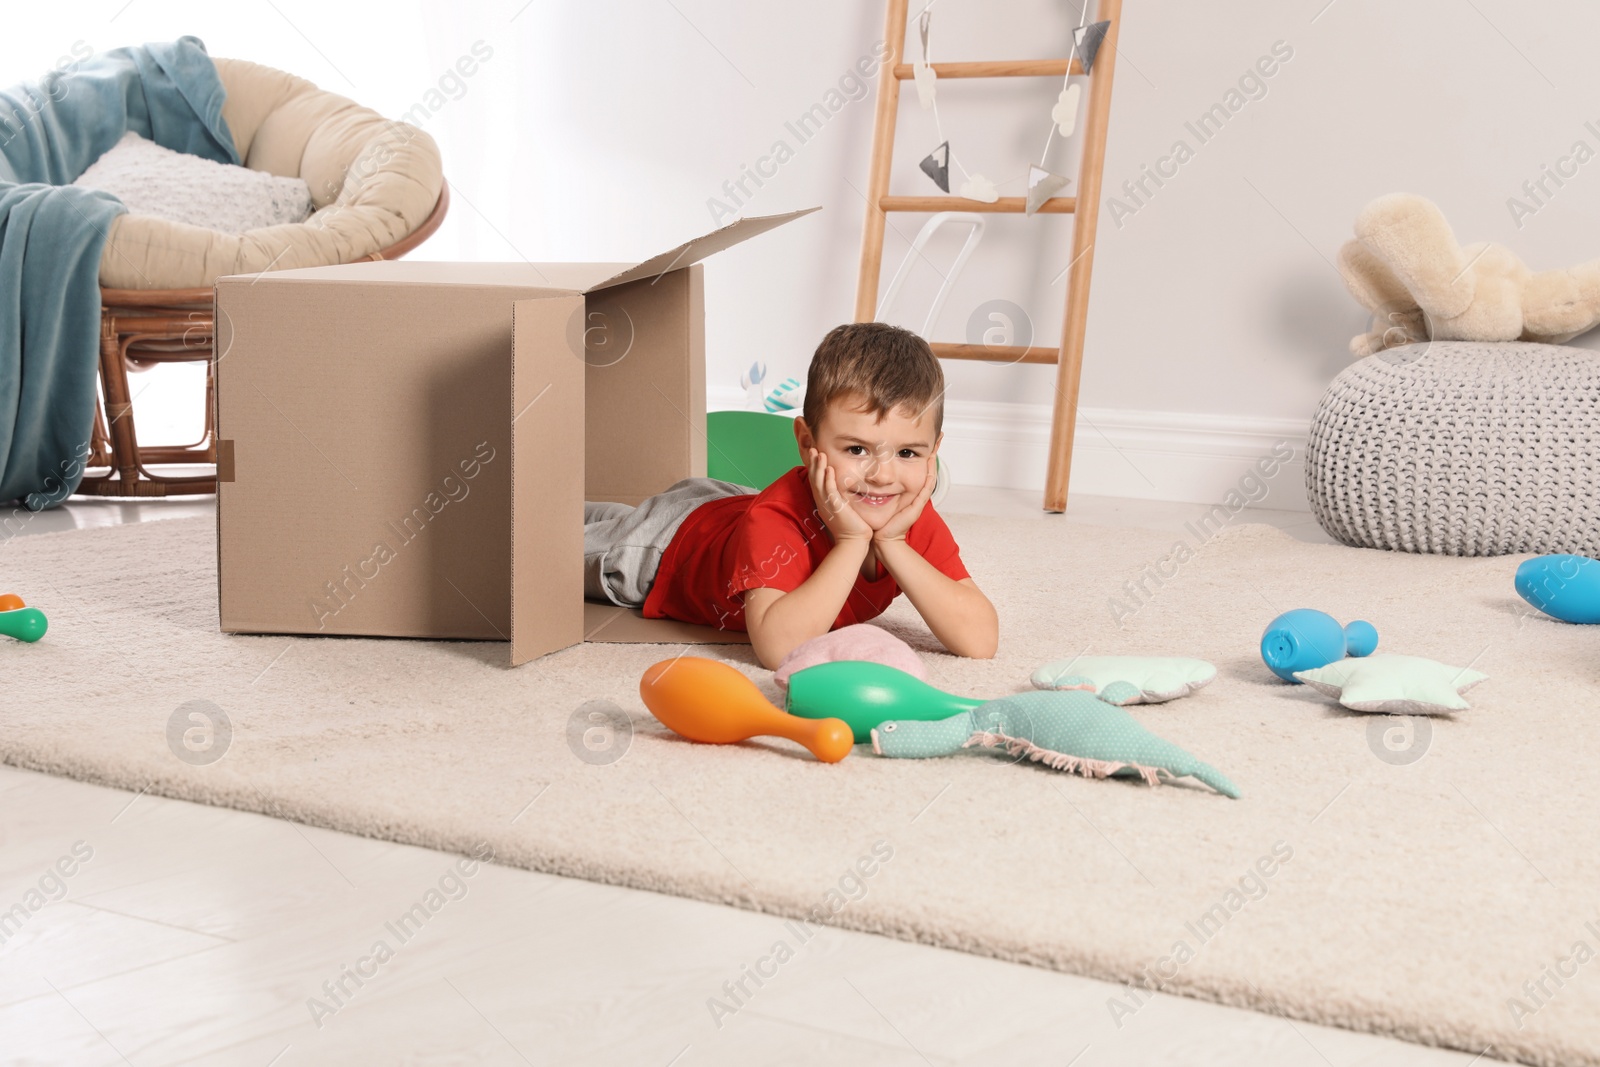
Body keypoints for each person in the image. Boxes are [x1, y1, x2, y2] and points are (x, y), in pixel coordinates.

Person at [583, 322, 998, 668]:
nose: (882, 475)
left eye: (907, 453)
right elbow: (778, 649)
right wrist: (854, 542)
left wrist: (891, 543)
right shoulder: (778, 518)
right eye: (856, 450)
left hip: (728, 506)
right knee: (543, 547)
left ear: (934, 453)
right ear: (806, 441)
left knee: (612, 515)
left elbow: (980, 640)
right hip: (663, 546)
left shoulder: (907, 514)